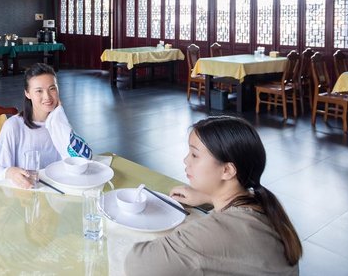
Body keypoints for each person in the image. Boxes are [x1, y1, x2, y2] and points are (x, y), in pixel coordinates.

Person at [125, 116, 301, 275]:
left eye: (194, 155)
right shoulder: (258, 202)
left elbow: (137, 264)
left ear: (227, 170)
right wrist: (208, 197)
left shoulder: (218, 231)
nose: (186, 160)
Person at [0, 63, 90, 188]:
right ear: (27, 93)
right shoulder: (13, 126)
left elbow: (80, 159)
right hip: (27, 193)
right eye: (39, 91)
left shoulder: (59, 124)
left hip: (59, 190)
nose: (47, 97)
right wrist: (10, 172)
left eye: (52, 89)